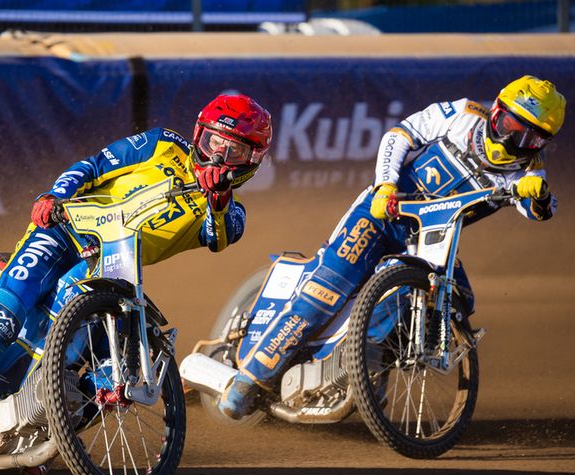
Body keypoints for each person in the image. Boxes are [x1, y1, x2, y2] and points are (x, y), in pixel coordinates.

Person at [0, 93, 272, 475]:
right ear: (199, 134)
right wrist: (56, 196)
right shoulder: (163, 143)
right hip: (63, 231)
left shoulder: (231, 213)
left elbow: (218, 236)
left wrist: (217, 198)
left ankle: (46, 429)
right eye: (213, 142)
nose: (218, 155)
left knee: (111, 365)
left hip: (111, 266)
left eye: (233, 150)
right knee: (0, 325)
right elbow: (93, 166)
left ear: (251, 161)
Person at [219, 75, 565, 419]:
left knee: (459, 299)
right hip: (382, 214)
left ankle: (369, 365)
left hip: (429, 240)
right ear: (496, 111)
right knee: (326, 290)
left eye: (530, 137)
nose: (513, 140)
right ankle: (249, 380)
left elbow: (540, 211)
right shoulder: (461, 115)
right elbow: (398, 136)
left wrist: (539, 195)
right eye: (510, 126)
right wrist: (385, 185)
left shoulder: (528, 173)